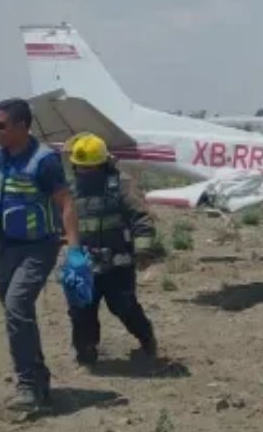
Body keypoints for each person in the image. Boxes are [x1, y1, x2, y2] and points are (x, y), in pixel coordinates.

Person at [0, 98, 81, 411]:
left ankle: (26, 385)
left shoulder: (44, 161)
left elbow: (65, 203)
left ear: (22, 127)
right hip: (5, 245)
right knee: (16, 315)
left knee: (17, 305)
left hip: (39, 247)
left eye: (1, 125)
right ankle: (38, 381)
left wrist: (74, 250)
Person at [65, 132, 159, 366]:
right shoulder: (70, 191)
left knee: (124, 307)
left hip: (119, 264)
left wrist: (143, 250)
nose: (84, 174)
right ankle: (86, 351)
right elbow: (62, 223)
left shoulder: (122, 186)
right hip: (83, 266)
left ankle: (146, 337)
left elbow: (141, 218)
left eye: (89, 168)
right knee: (81, 311)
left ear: (103, 164)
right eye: (79, 168)